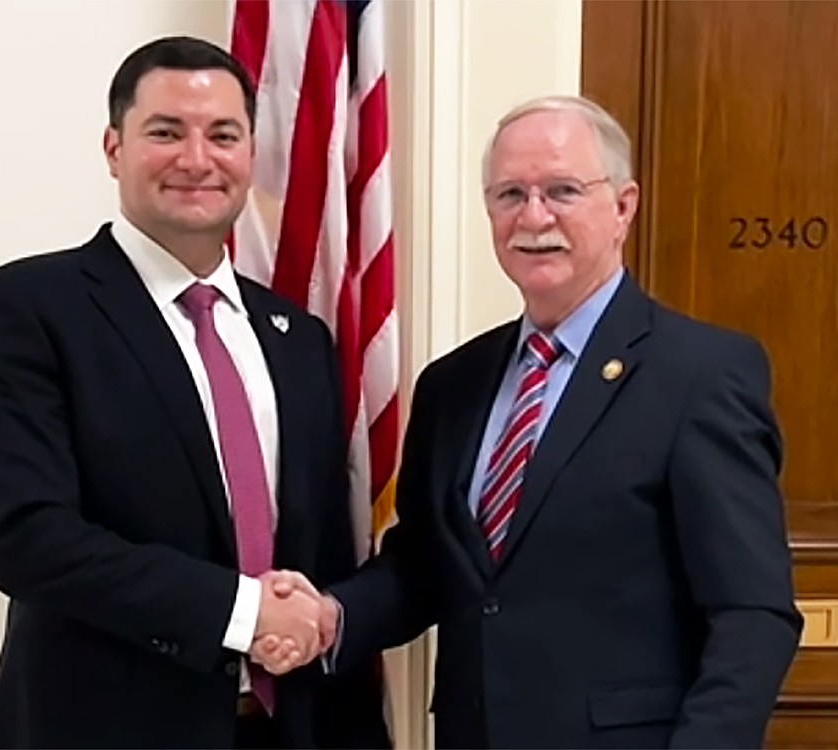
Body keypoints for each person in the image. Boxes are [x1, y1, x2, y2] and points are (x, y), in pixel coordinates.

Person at [273, 95, 803, 748]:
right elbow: (426, 568)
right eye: (509, 194)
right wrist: (332, 615)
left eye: (562, 190)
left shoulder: (699, 375)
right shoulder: (453, 385)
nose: (533, 217)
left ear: (623, 207)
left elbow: (753, 616)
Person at [0, 35, 388, 750]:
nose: (197, 159)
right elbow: (29, 540)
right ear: (114, 147)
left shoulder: (299, 339)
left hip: (282, 730)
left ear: (251, 154)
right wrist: (247, 612)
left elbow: (323, 553)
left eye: (223, 135)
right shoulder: (29, 308)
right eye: (165, 132)